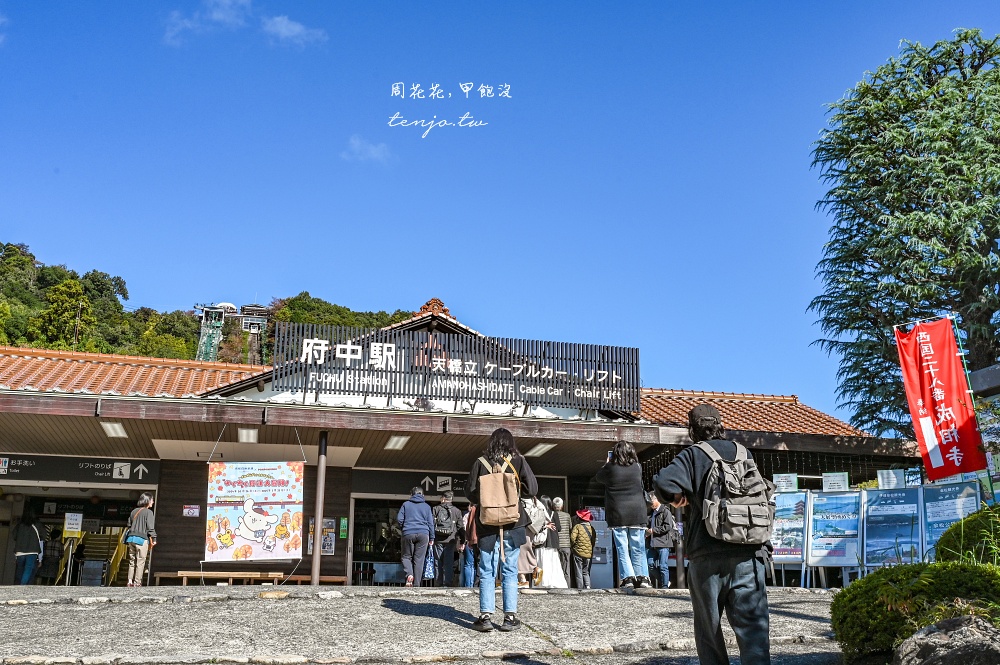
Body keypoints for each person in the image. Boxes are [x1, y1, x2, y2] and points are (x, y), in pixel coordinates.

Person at [653, 404, 771, 665]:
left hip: (707, 556)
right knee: (754, 631)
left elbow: (663, 481)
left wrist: (676, 498)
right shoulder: (744, 453)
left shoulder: (693, 454)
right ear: (720, 426)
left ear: (692, 430)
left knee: (709, 631)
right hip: (749, 553)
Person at [466, 427, 538, 632]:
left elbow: (470, 492)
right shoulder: (519, 461)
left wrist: (488, 501)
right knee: (510, 570)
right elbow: (532, 489)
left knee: (487, 569)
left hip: (487, 523)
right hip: (513, 523)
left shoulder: (480, 462)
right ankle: (509, 617)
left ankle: (485, 616)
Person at [595, 440, 652, 589]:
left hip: (618, 513)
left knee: (622, 547)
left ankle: (628, 578)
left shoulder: (610, 468)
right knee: (638, 547)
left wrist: (607, 463)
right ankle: (643, 577)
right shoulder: (637, 467)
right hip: (637, 512)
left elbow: (598, 477)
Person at [397, 487, 435, 587]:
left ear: (412, 494)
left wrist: (404, 528)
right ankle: (417, 584)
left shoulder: (406, 504)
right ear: (422, 495)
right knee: (419, 559)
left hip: (408, 532)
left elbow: (399, 519)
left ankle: (409, 574)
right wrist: (432, 538)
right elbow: (431, 523)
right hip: (423, 534)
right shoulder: (427, 506)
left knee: (406, 556)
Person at [432, 490, 465, 587]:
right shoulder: (457, 511)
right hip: (451, 539)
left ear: (443, 498)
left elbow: (431, 524)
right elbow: (460, 527)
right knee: (448, 563)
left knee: (438, 561)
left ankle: (438, 583)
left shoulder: (435, 509)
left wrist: (431, 537)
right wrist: (462, 540)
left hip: (438, 539)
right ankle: (448, 583)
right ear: (451, 499)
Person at [125, 492, 158, 587]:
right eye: (152, 500)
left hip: (131, 539)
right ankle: (137, 582)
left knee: (132, 560)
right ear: (147, 500)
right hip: (141, 539)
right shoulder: (148, 512)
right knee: (140, 561)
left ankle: (129, 581)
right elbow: (150, 527)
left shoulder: (133, 511)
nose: (153, 502)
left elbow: (129, 525)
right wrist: (154, 538)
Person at [534, 496, 567, 588]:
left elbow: (534, 527)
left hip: (541, 543)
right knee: (553, 564)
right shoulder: (554, 514)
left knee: (541, 563)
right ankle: (553, 582)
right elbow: (559, 528)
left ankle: (541, 583)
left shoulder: (538, 513)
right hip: (552, 542)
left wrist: (544, 526)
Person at [647, 492, 677, 588]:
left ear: (657, 500)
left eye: (651, 502)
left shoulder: (665, 511)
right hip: (653, 543)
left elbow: (667, 526)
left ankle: (665, 586)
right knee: (650, 563)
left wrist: (653, 530)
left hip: (664, 543)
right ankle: (664, 581)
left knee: (663, 565)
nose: (650, 504)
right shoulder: (651, 513)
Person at [13, 510, 45, 585]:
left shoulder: (19, 525)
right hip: (32, 550)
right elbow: (43, 536)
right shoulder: (38, 524)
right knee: (28, 568)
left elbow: (14, 536)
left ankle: (18, 584)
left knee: (20, 568)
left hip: (20, 550)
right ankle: (22, 585)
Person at [570, 509, 596, 589]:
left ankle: (580, 588)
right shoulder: (592, 529)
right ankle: (588, 586)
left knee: (579, 571)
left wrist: (573, 547)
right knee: (586, 571)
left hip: (578, 553)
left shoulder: (577, 527)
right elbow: (593, 541)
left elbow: (572, 538)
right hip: (588, 554)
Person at [551, 497, 572, 581]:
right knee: (566, 569)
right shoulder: (567, 516)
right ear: (562, 506)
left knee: (556, 568)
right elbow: (570, 528)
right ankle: (567, 586)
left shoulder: (551, 515)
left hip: (556, 545)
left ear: (553, 506)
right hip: (566, 545)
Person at [460, 504, 478, 587]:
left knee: (468, 564)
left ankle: (468, 585)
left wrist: (464, 542)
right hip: (480, 541)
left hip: (469, 541)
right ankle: (477, 584)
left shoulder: (467, 516)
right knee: (478, 564)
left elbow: (464, 530)